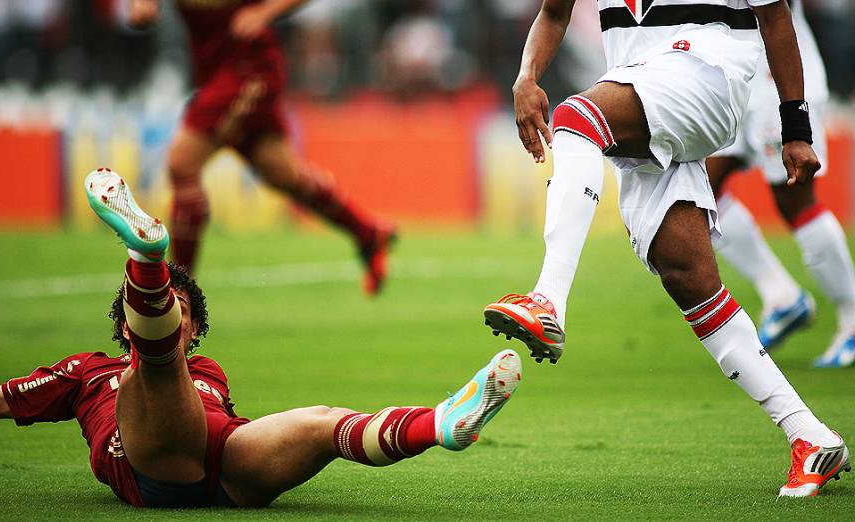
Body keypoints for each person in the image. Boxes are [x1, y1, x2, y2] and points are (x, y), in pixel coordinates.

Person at [0, 168, 520, 508]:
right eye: (171, 309)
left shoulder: (208, 372)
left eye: (185, 314)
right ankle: (146, 254)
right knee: (150, 371)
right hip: (152, 468)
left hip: (228, 468)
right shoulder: (87, 373)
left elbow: (211, 428)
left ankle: (444, 424)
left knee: (321, 421)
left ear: (195, 327)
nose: (182, 322)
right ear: (124, 322)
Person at [481, 0, 849, 496]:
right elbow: (553, 13)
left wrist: (796, 126)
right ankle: (809, 436)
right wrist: (527, 78)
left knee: (576, 119)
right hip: (639, 88)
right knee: (688, 277)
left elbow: (776, 16)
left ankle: (547, 300)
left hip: (707, 71)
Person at [128, 0, 395, 294]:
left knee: (183, 162)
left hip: (250, 69)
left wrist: (263, 12)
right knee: (283, 174)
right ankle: (368, 233)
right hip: (216, 73)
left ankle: (180, 292)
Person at [705, 0, 855, 368]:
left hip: (775, 83)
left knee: (794, 199)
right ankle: (781, 295)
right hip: (725, 80)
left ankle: (852, 319)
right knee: (697, 192)